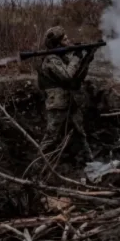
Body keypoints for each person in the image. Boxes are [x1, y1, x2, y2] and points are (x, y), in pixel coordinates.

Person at [36, 26, 96, 160]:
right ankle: (38, 166)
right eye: (65, 39)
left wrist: (86, 58)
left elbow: (76, 78)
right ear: (57, 43)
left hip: (69, 100)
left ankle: (89, 161)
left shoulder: (61, 57)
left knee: (80, 133)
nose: (68, 41)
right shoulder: (51, 59)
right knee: (51, 136)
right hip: (57, 103)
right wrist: (76, 57)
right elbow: (67, 75)